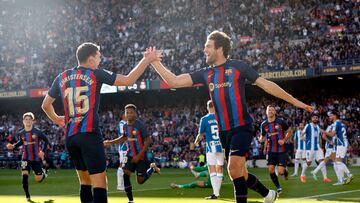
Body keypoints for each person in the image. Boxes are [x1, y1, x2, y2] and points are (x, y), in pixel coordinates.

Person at [150, 30, 313, 203]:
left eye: (208, 46)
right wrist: (154, 62)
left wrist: (294, 101)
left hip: (242, 127)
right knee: (239, 172)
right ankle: (268, 194)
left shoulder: (238, 67)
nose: (204, 49)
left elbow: (266, 85)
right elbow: (174, 81)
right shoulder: (206, 73)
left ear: (219, 48)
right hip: (224, 132)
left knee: (233, 169)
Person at [41, 42, 160, 203]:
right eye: (98, 55)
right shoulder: (95, 73)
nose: (100, 58)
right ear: (90, 59)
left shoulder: (61, 77)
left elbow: (45, 105)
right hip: (89, 135)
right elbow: (128, 80)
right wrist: (146, 60)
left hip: (71, 137)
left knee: (84, 182)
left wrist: (57, 119)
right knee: (100, 183)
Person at [104, 104, 160, 203]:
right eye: (127, 112)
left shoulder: (140, 125)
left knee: (140, 181)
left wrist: (139, 155)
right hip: (129, 155)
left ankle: (152, 168)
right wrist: (110, 142)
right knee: (125, 175)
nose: (129, 114)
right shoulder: (125, 126)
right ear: (125, 114)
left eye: (131, 112)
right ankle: (131, 200)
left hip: (141, 156)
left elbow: (148, 140)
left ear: (135, 114)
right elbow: (124, 137)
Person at [6, 112, 49, 202]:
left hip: (36, 158)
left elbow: (46, 140)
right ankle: (27, 196)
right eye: (26, 119)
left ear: (32, 121)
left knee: (38, 180)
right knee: (24, 176)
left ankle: (43, 173)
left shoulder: (37, 131)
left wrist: (43, 151)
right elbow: (21, 142)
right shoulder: (21, 132)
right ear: (23, 121)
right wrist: (13, 146)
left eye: (29, 119)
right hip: (25, 157)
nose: (28, 121)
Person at [194, 100, 224, 199]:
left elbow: (201, 134)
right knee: (220, 167)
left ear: (207, 108)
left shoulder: (204, 119)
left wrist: (196, 141)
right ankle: (217, 192)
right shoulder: (221, 117)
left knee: (212, 169)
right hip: (221, 146)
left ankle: (216, 193)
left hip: (211, 147)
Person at [260, 105, 291, 195]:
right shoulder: (264, 124)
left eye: (272, 110)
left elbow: (290, 131)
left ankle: (285, 172)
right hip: (271, 150)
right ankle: (278, 187)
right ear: (266, 112)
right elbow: (262, 136)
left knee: (280, 172)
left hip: (281, 150)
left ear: (275, 112)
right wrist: (261, 139)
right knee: (271, 169)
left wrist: (284, 140)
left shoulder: (280, 122)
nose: (270, 111)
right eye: (268, 110)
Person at [321, 111, 353, 185]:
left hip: (341, 144)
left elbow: (332, 134)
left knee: (338, 162)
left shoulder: (336, 123)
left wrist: (324, 131)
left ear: (335, 116)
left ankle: (349, 175)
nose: (330, 117)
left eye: (331, 115)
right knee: (338, 162)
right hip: (342, 143)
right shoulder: (341, 123)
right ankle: (342, 180)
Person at [300, 113, 331, 183]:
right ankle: (302, 175)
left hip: (317, 148)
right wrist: (305, 139)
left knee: (322, 161)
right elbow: (302, 134)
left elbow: (319, 138)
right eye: (314, 117)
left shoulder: (318, 127)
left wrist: (320, 146)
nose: (315, 119)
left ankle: (325, 178)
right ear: (311, 119)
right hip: (310, 148)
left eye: (316, 118)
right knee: (308, 163)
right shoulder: (308, 126)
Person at [116, 113, 128, 191]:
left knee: (125, 166)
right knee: (122, 165)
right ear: (123, 116)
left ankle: (123, 184)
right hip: (123, 148)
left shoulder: (126, 124)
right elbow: (123, 135)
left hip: (127, 148)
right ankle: (120, 185)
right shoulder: (122, 123)